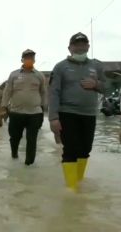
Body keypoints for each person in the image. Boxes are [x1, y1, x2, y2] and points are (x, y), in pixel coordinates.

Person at [48, 32, 105, 191]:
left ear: (88, 46)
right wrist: (53, 117)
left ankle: (79, 182)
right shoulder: (60, 67)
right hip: (67, 113)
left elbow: (105, 87)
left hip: (89, 114)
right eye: (76, 44)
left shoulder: (96, 66)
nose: (80, 47)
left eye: (83, 44)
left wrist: (95, 84)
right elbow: (54, 92)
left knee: (85, 149)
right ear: (70, 47)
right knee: (71, 150)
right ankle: (71, 190)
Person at [1, 49, 46, 166]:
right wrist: (4, 106)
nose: (29, 59)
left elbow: (44, 93)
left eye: (31, 57)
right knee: (15, 137)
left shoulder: (39, 75)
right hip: (16, 112)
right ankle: (14, 155)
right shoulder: (14, 74)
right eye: (27, 57)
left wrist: (44, 109)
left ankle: (29, 165)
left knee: (32, 140)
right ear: (22, 59)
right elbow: (7, 91)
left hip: (35, 113)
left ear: (34, 60)